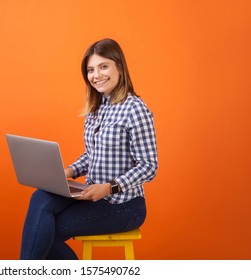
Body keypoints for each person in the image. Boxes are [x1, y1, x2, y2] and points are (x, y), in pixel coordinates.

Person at [20, 38, 158, 260]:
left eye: (104, 66)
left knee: (45, 230)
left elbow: (149, 166)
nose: (96, 75)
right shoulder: (97, 108)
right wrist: (69, 171)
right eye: (91, 70)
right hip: (92, 194)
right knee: (40, 199)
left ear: (119, 68)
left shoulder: (135, 109)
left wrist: (110, 187)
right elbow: (91, 155)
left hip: (124, 205)